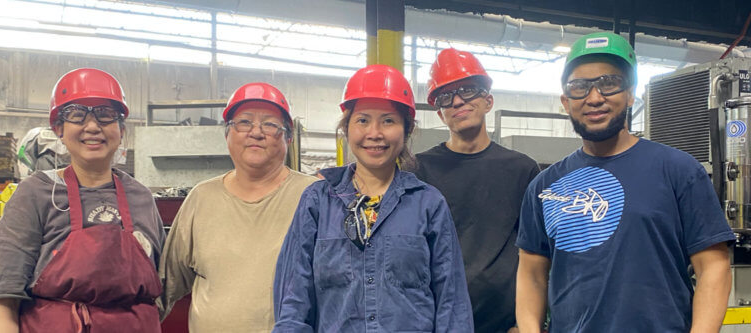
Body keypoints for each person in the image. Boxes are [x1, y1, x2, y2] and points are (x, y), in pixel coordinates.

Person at [515, 32, 734, 332]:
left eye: (608, 83)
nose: (594, 98)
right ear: (566, 101)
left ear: (630, 94)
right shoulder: (544, 188)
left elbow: (713, 267)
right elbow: (532, 276)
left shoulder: (679, 171)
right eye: (579, 87)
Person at [273, 64, 473, 332]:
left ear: (406, 130)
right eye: (363, 120)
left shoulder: (428, 204)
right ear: (347, 127)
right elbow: (292, 299)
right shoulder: (317, 201)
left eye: (388, 120)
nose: (374, 133)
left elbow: (452, 302)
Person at [0, 68, 166, 332]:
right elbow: (4, 303)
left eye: (106, 114)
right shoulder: (35, 195)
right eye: (77, 115)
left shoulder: (141, 197)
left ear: (121, 129)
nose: (92, 126)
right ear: (58, 128)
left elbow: (160, 292)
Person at [157, 82, 317, 331]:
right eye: (244, 122)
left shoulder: (313, 197)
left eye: (270, 124)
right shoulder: (201, 198)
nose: (256, 132)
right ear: (227, 134)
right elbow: (165, 286)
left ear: (287, 136)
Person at [409, 48, 539, 333]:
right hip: (436, 323)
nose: (457, 101)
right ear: (440, 113)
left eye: (467, 90)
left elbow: (538, 255)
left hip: (505, 326)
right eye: (445, 96)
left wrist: (525, 322)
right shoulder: (418, 171)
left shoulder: (522, 171)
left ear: (488, 101)